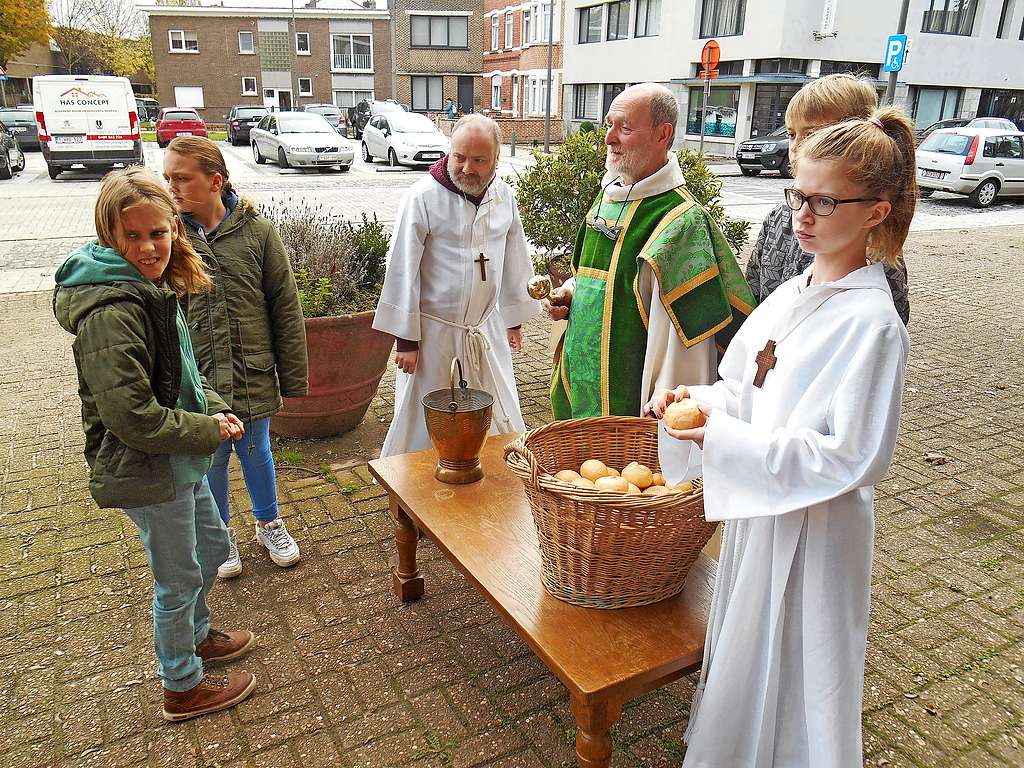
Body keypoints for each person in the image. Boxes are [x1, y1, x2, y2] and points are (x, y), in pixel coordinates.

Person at [646, 106, 916, 767]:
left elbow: (854, 457)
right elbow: (748, 390)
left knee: (801, 660)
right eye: (800, 194)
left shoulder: (873, 325)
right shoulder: (796, 291)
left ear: (876, 212)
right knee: (746, 645)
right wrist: (699, 400)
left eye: (825, 202)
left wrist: (726, 442)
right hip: (761, 509)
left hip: (814, 528)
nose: (803, 215)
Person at [53, 167, 257, 721]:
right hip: (146, 466)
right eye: (134, 237)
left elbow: (185, 371)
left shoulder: (150, 288)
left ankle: (196, 635)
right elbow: (130, 416)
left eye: (159, 233)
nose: (149, 247)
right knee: (177, 578)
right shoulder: (112, 311)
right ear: (110, 238)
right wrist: (206, 430)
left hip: (177, 458)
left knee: (212, 550)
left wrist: (213, 405)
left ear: (175, 228)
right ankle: (181, 685)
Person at [546, 82, 753, 419]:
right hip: (583, 380)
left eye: (624, 128)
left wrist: (665, 410)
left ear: (662, 134)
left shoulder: (682, 221)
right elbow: (590, 275)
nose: (610, 137)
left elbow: (683, 347)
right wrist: (571, 294)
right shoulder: (610, 195)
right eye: (609, 124)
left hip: (634, 398)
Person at [163, 136, 308, 578]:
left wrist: (294, 377)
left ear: (215, 181)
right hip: (200, 377)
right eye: (167, 178)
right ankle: (219, 533)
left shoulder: (257, 234)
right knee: (213, 457)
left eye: (181, 178)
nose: (171, 187)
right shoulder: (169, 237)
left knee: (255, 448)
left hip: (252, 370)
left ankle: (269, 523)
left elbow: (284, 305)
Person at [373, 113, 538, 457]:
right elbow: (403, 268)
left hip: (485, 330)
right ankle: (415, 484)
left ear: (496, 160)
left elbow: (515, 259)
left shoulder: (503, 197)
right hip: (434, 337)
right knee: (425, 418)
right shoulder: (423, 197)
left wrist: (514, 319)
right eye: (459, 157)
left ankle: (493, 472)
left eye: (478, 160)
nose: (466, 168)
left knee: (495, 407)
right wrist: (406, 340)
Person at [746, 73, 911, 325]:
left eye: (812, 134)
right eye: (791, 134)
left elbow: (884, 326)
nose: (797, 146)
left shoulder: (876, 246)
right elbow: (754, 291)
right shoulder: (780, 216)